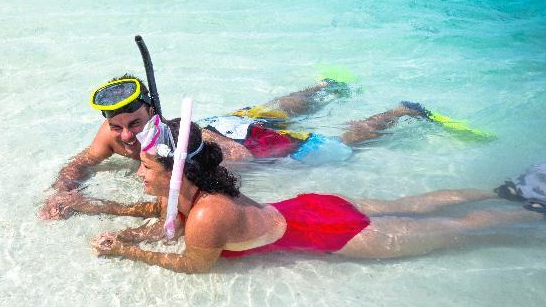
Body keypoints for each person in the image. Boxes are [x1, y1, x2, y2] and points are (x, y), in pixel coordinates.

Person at [91, 117, 543, 274]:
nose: (140, 175)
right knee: (416, 203)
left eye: (147, 167)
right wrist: (124, 230)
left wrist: (130, 254)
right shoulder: (201, 190)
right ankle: (504, 190)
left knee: (452, 231)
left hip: (332, 231)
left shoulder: (209, 215)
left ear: (175, 175)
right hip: (312, 205)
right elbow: (164, 217)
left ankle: (526, 212)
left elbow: (194, 264)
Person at [40, 72, 473, 219]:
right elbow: (80, 163)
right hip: (224, 122)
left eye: (133, 123)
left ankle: (401, 111)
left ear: (152, 111)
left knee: (338, 145)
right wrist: (65, 189)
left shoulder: (174, 141)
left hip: (244, 143)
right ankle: (327, 86)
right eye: (116, 128)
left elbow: (226, 166)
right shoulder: (115, 135)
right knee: (271, 107)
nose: (125, 136)